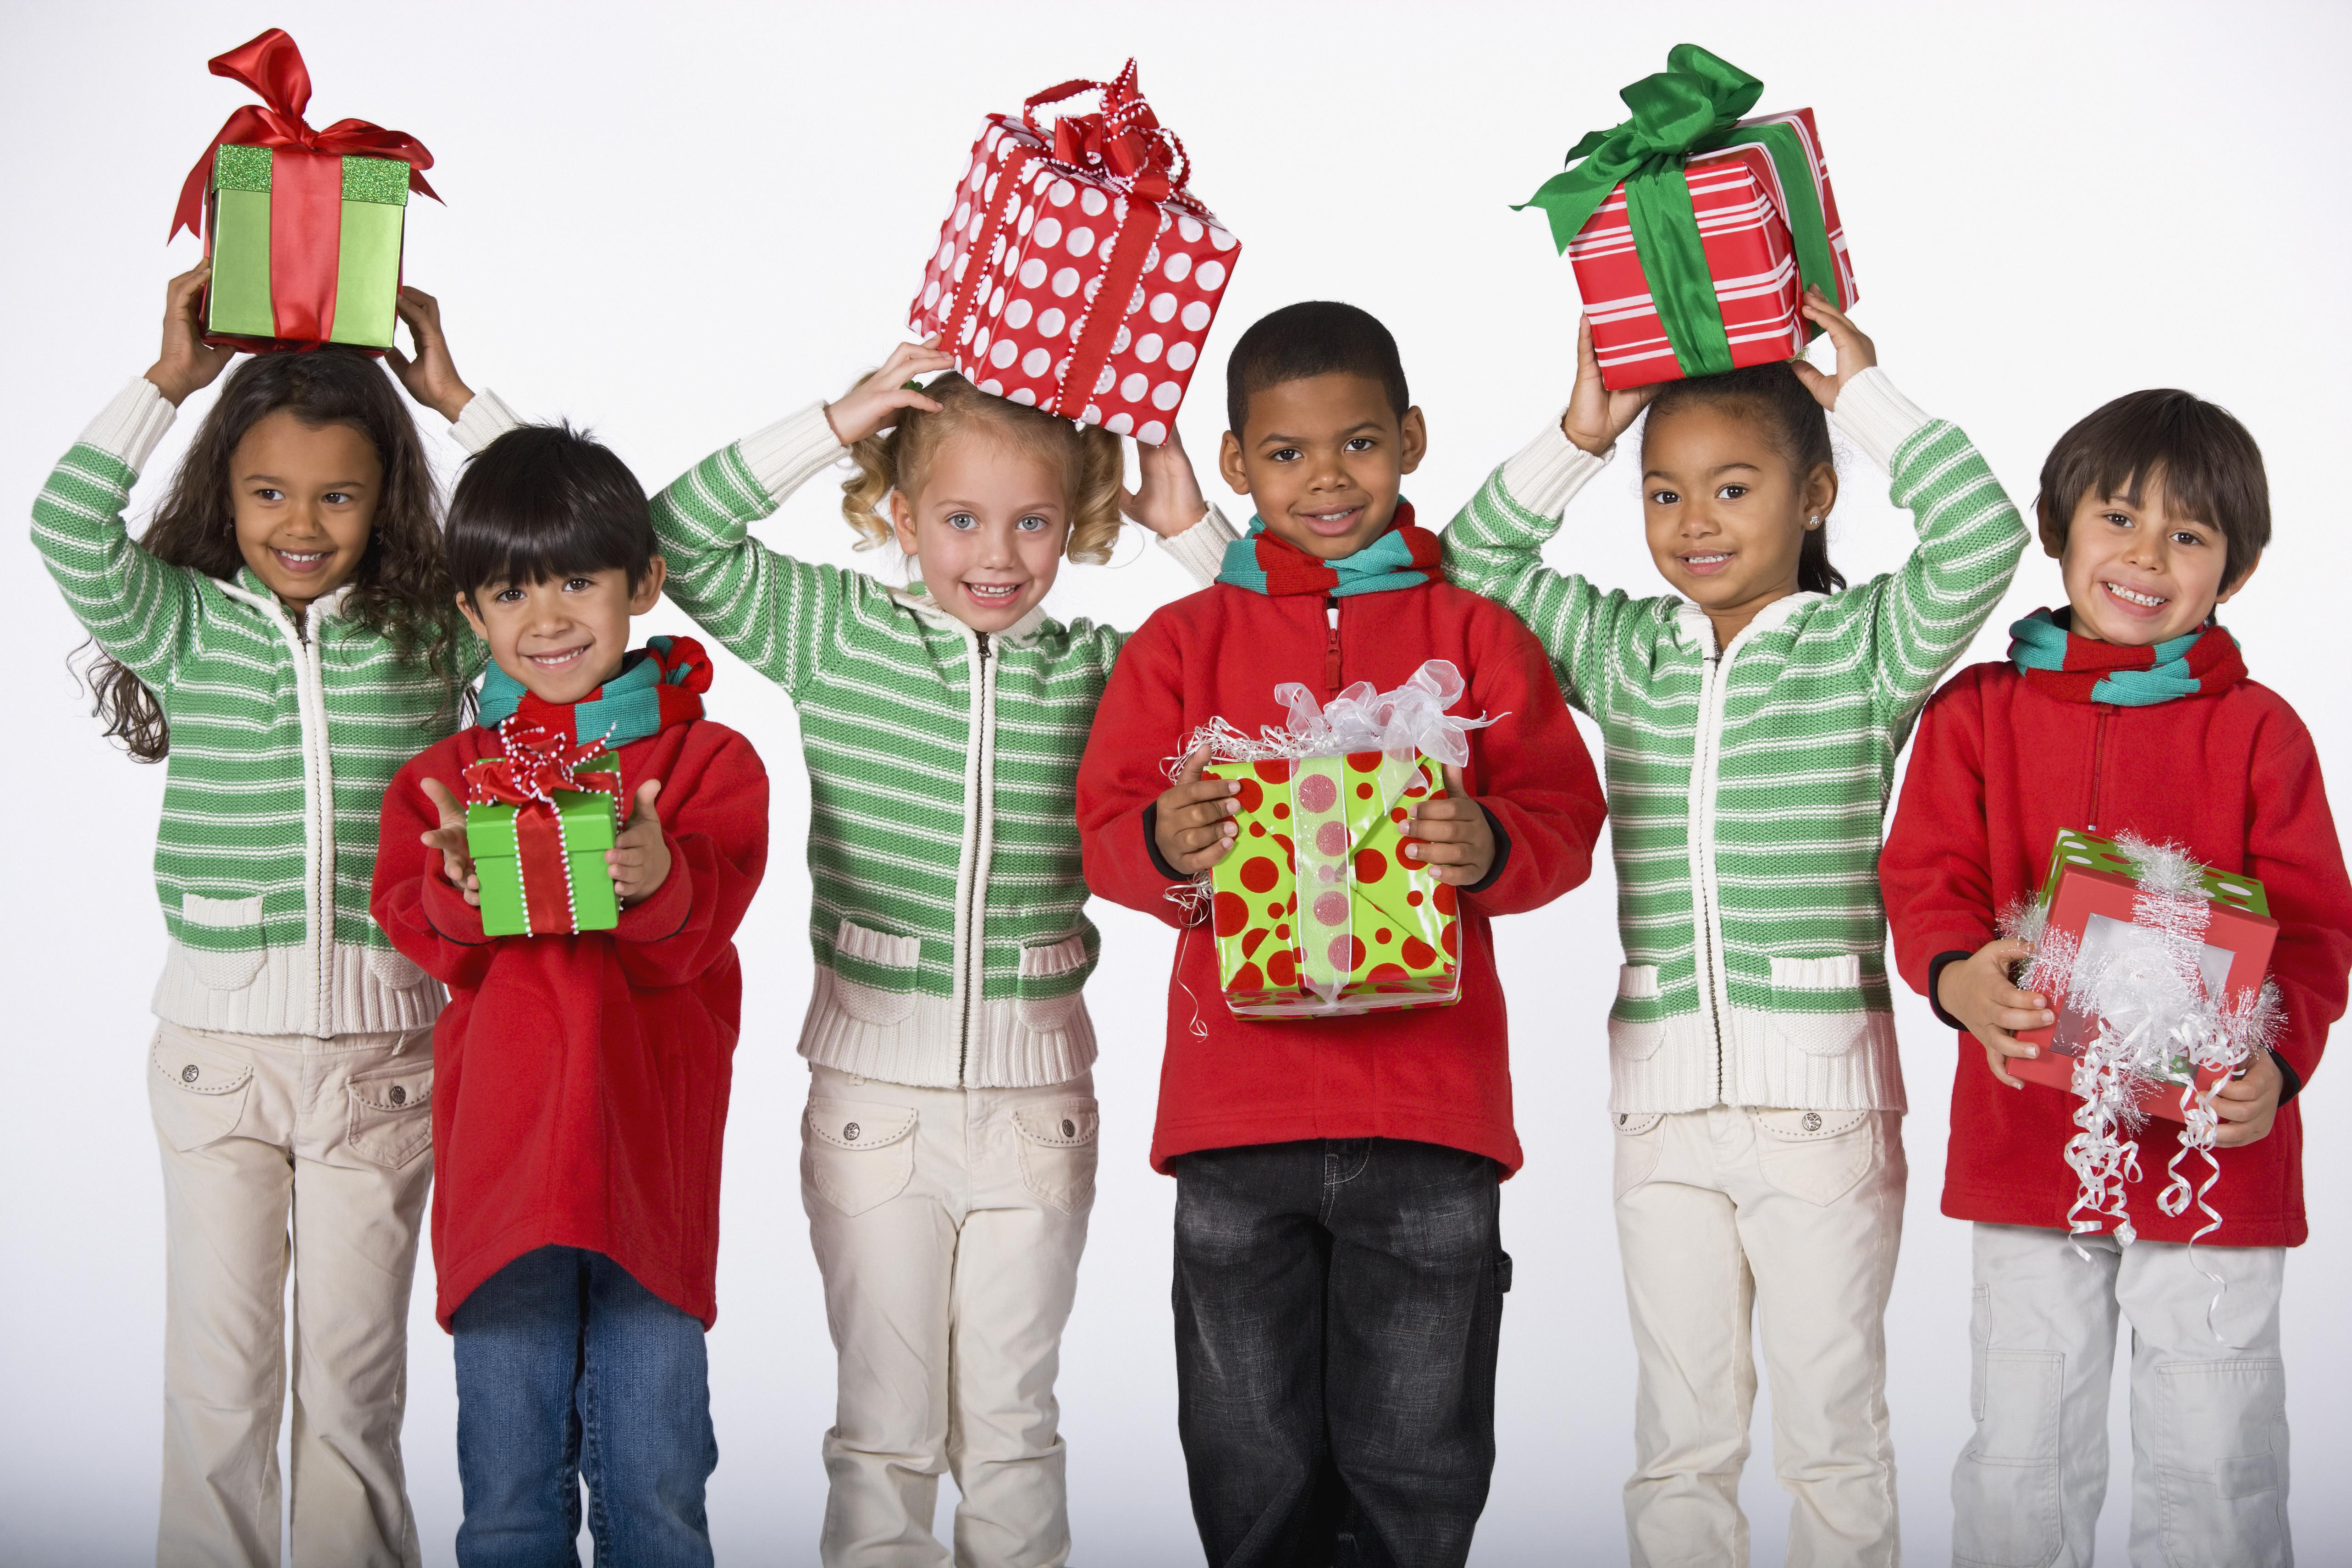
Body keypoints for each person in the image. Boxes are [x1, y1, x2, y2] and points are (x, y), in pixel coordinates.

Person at [1442, 290, 2028, 1566]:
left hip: (1820, 1108)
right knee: (1679, 1440)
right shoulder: (1627, 650)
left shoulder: (1865, 645)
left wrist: (1858, 396)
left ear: (1815, 494)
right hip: (1659, 1109)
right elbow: (1468, 575)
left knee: (1830, 1436)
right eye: (1662, 493)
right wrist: (1581, 432)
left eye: (1733, 488)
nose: (1693, 522)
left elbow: (1983, 537)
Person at [645, 338, 1230, 1566]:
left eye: (1032, 522)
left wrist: (1189, 521)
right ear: (901, 516)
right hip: (872, 1103)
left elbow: (1264, 647)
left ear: (1075, 525)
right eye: (960, 518)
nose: (997, 554)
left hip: (1040, 1105)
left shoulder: (1101, 673)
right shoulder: (837, 635)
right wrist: (834, 420)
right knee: (886, 1432)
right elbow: (678, 536)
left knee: (1015, 1430)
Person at [1077, 300, 1607, 1568]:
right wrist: (1168, 839)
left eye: (1359, 444)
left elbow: (1565, 818)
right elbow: (1102, 831)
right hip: (1235, 1119)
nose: (1327, 478)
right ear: (1236, 462)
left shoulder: (1475, 635)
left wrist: (1489, 843)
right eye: (1287, 454)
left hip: (1430, 1116)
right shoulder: (1182, 642)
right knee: (1247, 1451)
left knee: (1417, 1455)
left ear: (1412, 439)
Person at [32, 262, 507, 1567]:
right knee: (221, 1387)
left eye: (338, 494)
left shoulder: (431, 630)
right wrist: (169, 382)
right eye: (269, 493)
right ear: (224, 493)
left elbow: (563, 546)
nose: (302, 523)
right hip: (217, 1060)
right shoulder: (180, 621)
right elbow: (66, 524)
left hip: (386, 1062)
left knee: (353, 1396)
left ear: (385, 497)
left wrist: (456, 397)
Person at [1881, 388, 2352, 1567]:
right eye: (2119, 517)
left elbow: (2312, 931)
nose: (2146, 557)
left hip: (2210, 1162)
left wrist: (2278, 1063)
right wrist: (1959, 979)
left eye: (2189, 537)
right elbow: (1923, 876)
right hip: (2029, 1146)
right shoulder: (1977, 715)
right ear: (2058, 525)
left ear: (2234, 573)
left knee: (2218, 1455)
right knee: (2022, 1456)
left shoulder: (2261, 731)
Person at [372, 423, 769, 1566]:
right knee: (505, 1500)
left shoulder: (706, 766)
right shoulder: (444, 780)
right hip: (505, 1185)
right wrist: (456, 885)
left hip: (649, 1180)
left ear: (644, 583)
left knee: (656, 1492)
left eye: (579, 581)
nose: (547, 619)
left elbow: (691, 943)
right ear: (471, 614)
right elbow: (432, 941)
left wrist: (657, 878)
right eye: (510, 590)